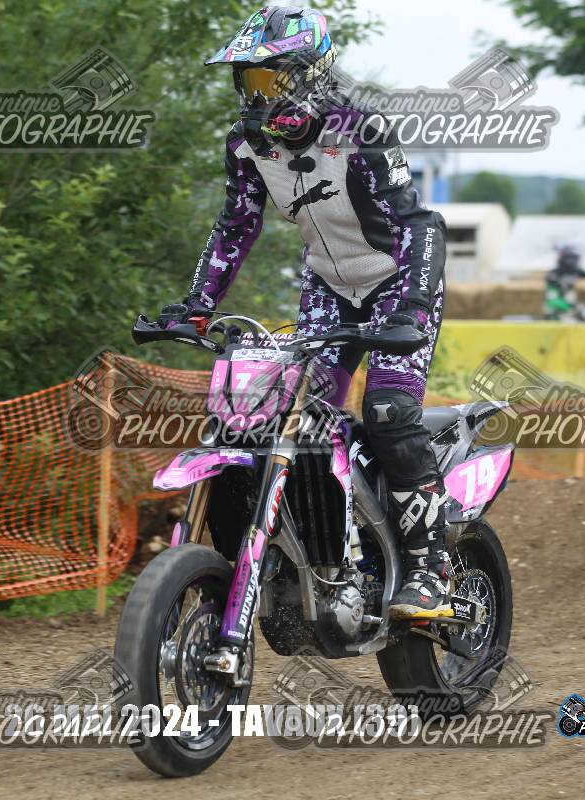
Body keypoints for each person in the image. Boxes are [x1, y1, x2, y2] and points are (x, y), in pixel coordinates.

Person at [158, 7, 451, 618]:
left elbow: (420, 224)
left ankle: (431, 566)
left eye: (271, 79)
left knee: (389, 411)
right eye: (248, 81)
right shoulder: (248, 143)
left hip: (398, 284)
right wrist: (198, 306)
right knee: (289, 414)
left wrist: (416, 306)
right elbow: (237, 223)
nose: (257, 96)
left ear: (311, 73)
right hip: (327, 286)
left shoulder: (359, 129)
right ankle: (321, 552)